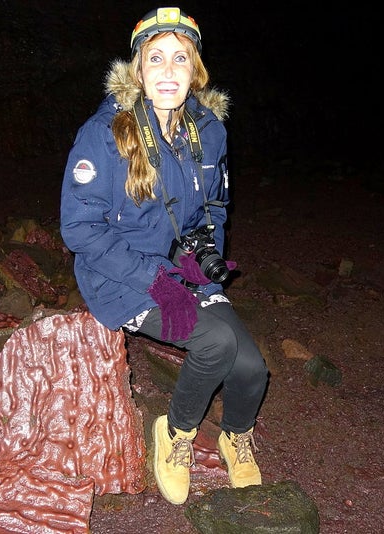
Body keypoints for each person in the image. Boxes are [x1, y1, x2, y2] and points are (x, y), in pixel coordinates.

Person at [60, 7, 269, 505]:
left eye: (181, 58)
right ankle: (175, 433)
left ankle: (235, 435)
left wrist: (208, 279)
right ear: (138, 70)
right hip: (120, 278)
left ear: (196, 71)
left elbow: (214, 212)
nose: (169, 71)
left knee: (252, 371)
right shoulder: (105, 133)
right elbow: (79, 229)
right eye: (156, 59)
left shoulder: (208, 130)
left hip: (185, 271)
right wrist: (160, 282)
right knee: (216, 343)